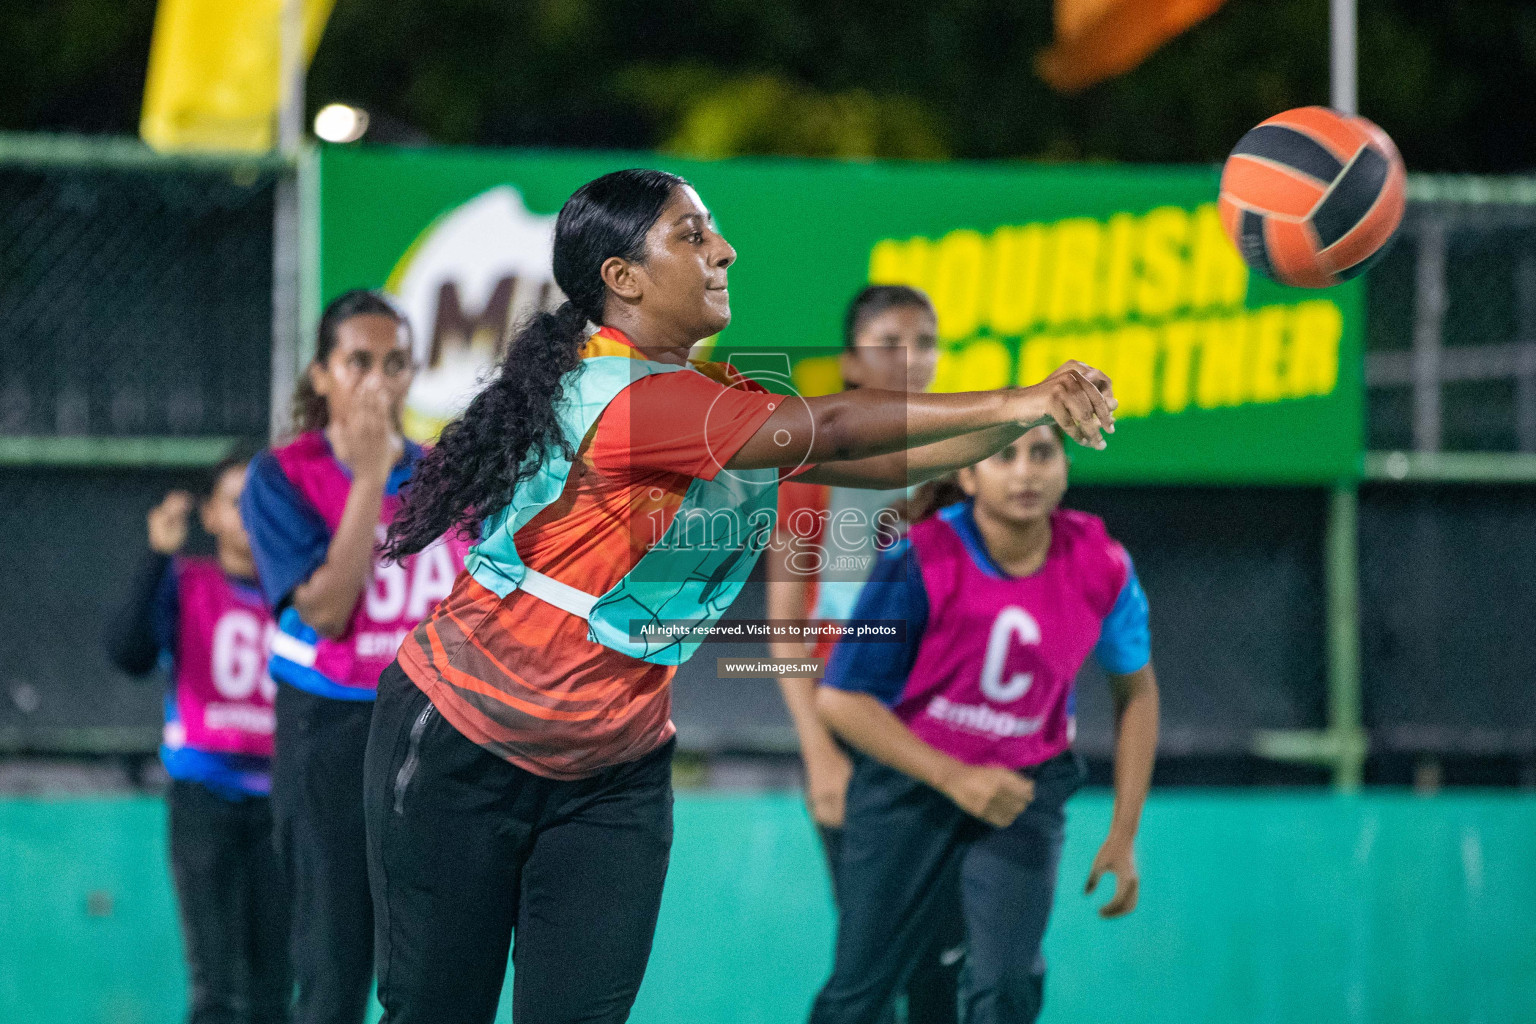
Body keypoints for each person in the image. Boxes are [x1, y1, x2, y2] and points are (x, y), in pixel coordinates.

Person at [367, 167, 1117, 1024]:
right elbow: (831, 428)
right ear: (623, 279)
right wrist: (1024, 394)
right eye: (692, 236)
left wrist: (1029, 418)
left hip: (612, 770)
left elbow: (869, 458)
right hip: (464, 742)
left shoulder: (713, 400)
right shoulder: (624, 398)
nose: (724, 249)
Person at [807, 425, 1161, 1024]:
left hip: (1024, 792)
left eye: (1042, 453)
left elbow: (1138, 694)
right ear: (968, 475)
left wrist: (1124, 834)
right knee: (859, 995)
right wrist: (955, 778)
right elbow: (842, 700)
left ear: (1066, 468)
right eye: (1004, 456)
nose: (1025, 472)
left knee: (1005, 985)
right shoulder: (919, 556)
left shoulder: (1103, 564)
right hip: (909, 788)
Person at [239, 291, 469, 1024]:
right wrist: (370, 479)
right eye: (358, 361)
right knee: (335, 973)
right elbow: (328, 611)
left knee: (437, 973)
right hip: (330, 732)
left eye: (395, 362)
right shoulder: (281, 477)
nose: (378, 379)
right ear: (321, 375)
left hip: (434, 730)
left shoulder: (449, 479)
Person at [766, 284, 963, 1023]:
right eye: (888, 344)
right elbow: (785, 626)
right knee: (868, 976)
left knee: (949, 968)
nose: (910, 360)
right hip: (852, 747)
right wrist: (820, 753)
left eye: (926, 341)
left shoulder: (964, 471)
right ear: (850, 364)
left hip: (952, 744)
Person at [107, 450, 291, 1024]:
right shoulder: (187, 582)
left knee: (273, 989)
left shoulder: (309, 594)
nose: (250, 517)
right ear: (208, 515)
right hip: (203, 798)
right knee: (216, 989)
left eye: (262, 504)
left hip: (281, 802)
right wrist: (157, 556)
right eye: (237, 503)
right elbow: (129, 652)